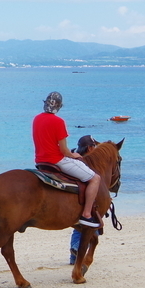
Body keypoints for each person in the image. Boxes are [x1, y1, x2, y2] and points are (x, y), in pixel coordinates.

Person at [33, 92, 102, 228]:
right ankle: (86, 214)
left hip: (40, 161)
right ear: (59, 106)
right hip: (56, 160)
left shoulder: (36, 118)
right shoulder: (59, 122)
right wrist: (74, 155)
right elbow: (64, 151)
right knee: (95, 179)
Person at [68, 135, 99, 264]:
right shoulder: (85, 161)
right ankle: (76, 250)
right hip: (81, 198)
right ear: (90, 148)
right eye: (94, 146)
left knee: (80, 226)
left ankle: (74, 256)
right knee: (87, 223)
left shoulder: (73, 154)